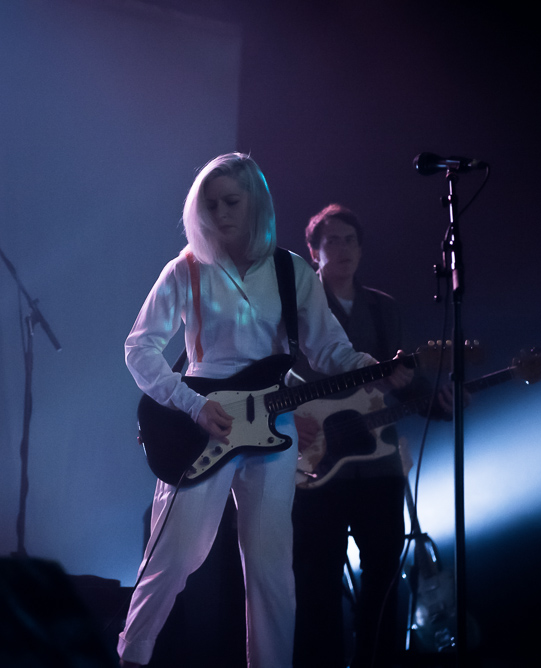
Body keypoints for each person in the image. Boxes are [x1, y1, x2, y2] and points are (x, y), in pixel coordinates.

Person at [118, 156, 410, 667]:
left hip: (274, 428)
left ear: (256, 203)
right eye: (210, 203)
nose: (220, 212)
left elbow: (329, 350)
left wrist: (375, 368)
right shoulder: (184, 269)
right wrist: (192, 403)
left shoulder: (291, 269)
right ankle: (131, 657)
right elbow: (139, 348)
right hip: (202, 422)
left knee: (272, 569)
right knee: (175, 557)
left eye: (231, 201)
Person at [291, 204, 450, 668]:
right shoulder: (297, 308)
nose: (342, 249)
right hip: (316, 465)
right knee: (316, 580)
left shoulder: (383, 308)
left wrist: (432, 400)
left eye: (350, 240)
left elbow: (405, 381)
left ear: (362, 249)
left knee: (384, 576)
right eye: (331, 241)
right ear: (313, 252)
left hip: (379, 466)